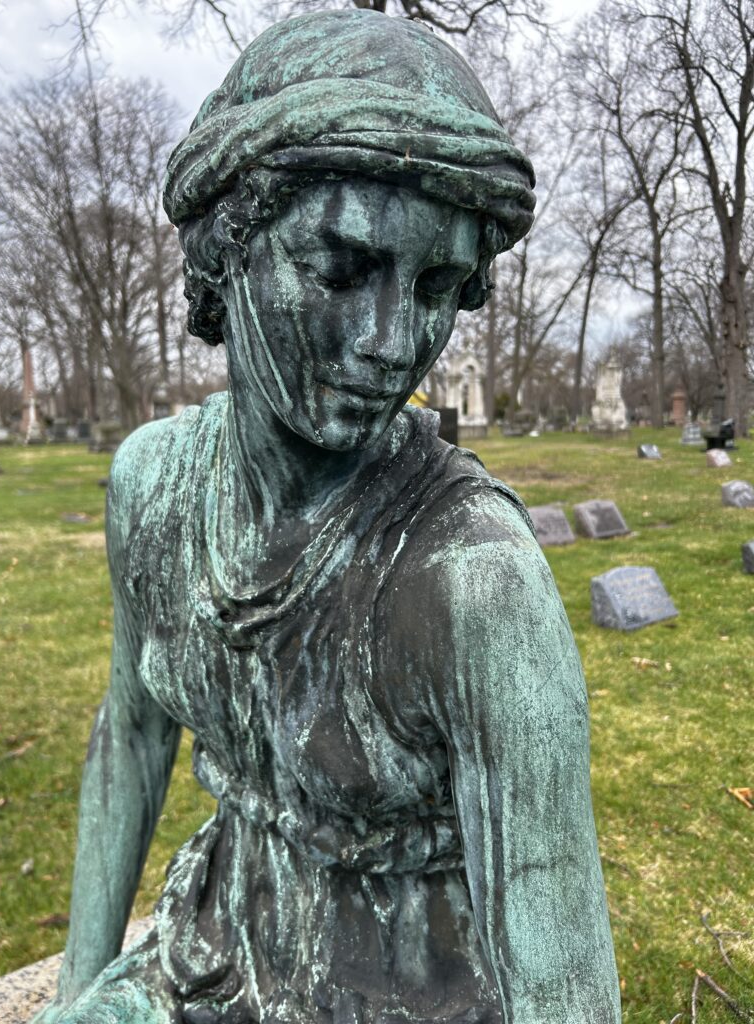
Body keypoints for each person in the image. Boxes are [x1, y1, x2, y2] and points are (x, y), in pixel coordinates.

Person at [36, 11, 620, 1024]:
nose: (393, 344)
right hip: (210, 953)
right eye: (342, 271)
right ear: (227, 250)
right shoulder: (154, 488)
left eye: (436, 285)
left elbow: (560, 971)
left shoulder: (475, 582)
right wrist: (78, 992)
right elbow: (131, 733)